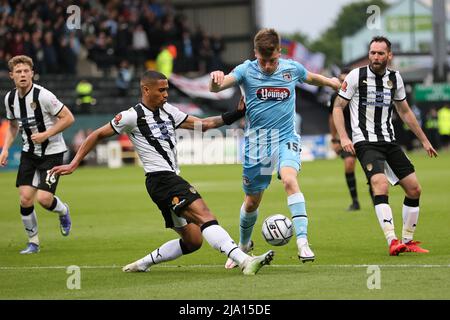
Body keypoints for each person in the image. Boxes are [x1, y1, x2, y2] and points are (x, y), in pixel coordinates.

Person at [50, 70, 274, 276]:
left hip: (166, 181)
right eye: (161, 90)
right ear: (146, 90)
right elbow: (96, 135)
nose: (166, 94)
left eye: (167, 89)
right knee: (205, 215)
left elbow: (203, 124)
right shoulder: (131, 116)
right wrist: (74, 163)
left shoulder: (169, 112)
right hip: (161, 179)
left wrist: (236, 113)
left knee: (193, 241)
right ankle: (244, 261)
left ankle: (142, 264)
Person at [209, 28, 341, 267]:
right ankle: (243, 246)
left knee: (290, 180)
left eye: (272, 61)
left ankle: (303, 242)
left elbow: (311, 77)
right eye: (263, 60)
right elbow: (218, 87)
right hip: (258, 143)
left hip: (285, 138)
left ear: (280, 53)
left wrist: (331, 82)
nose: (268, 66)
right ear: (255, 53)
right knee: (252, 202)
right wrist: (216, 80)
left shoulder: (291, 69)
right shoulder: (245, 70)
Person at [332, 36, 438, 256]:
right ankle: (392, 240)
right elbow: (337, 107)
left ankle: (407, 241)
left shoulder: (395, 78)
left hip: (389, 141)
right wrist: (343, 137)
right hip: (365, 142)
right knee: (380, 184)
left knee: (414, 189)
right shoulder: (355, 76)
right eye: (372, 52)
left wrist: (424, 140)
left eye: (380, 53)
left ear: (390, 55)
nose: (375, 57)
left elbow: (405, 111)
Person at [0, 55, 75, 254]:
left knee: (43, 199)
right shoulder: (10, 99)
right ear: (11, 76)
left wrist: (46, 134)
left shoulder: (43, 96)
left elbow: (68, 118)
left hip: (52, 153)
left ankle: (63, 210)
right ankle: (33, 242)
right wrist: (5, 148)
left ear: (32, 73)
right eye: (18, 72)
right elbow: (13, 126)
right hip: (29, 153)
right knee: (25, 198)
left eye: (26, 71)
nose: (23, 75)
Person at [328, 68, 374, 211]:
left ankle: (376, 199)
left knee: (371, 168)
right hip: (346, 135)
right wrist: (335, 139)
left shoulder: (362, 94)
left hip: (364, 134)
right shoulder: (335, 97)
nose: (343, 83)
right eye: (341, 80)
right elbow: (331, 118)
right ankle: (355, 202)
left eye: (345, 80)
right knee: (349, 164)